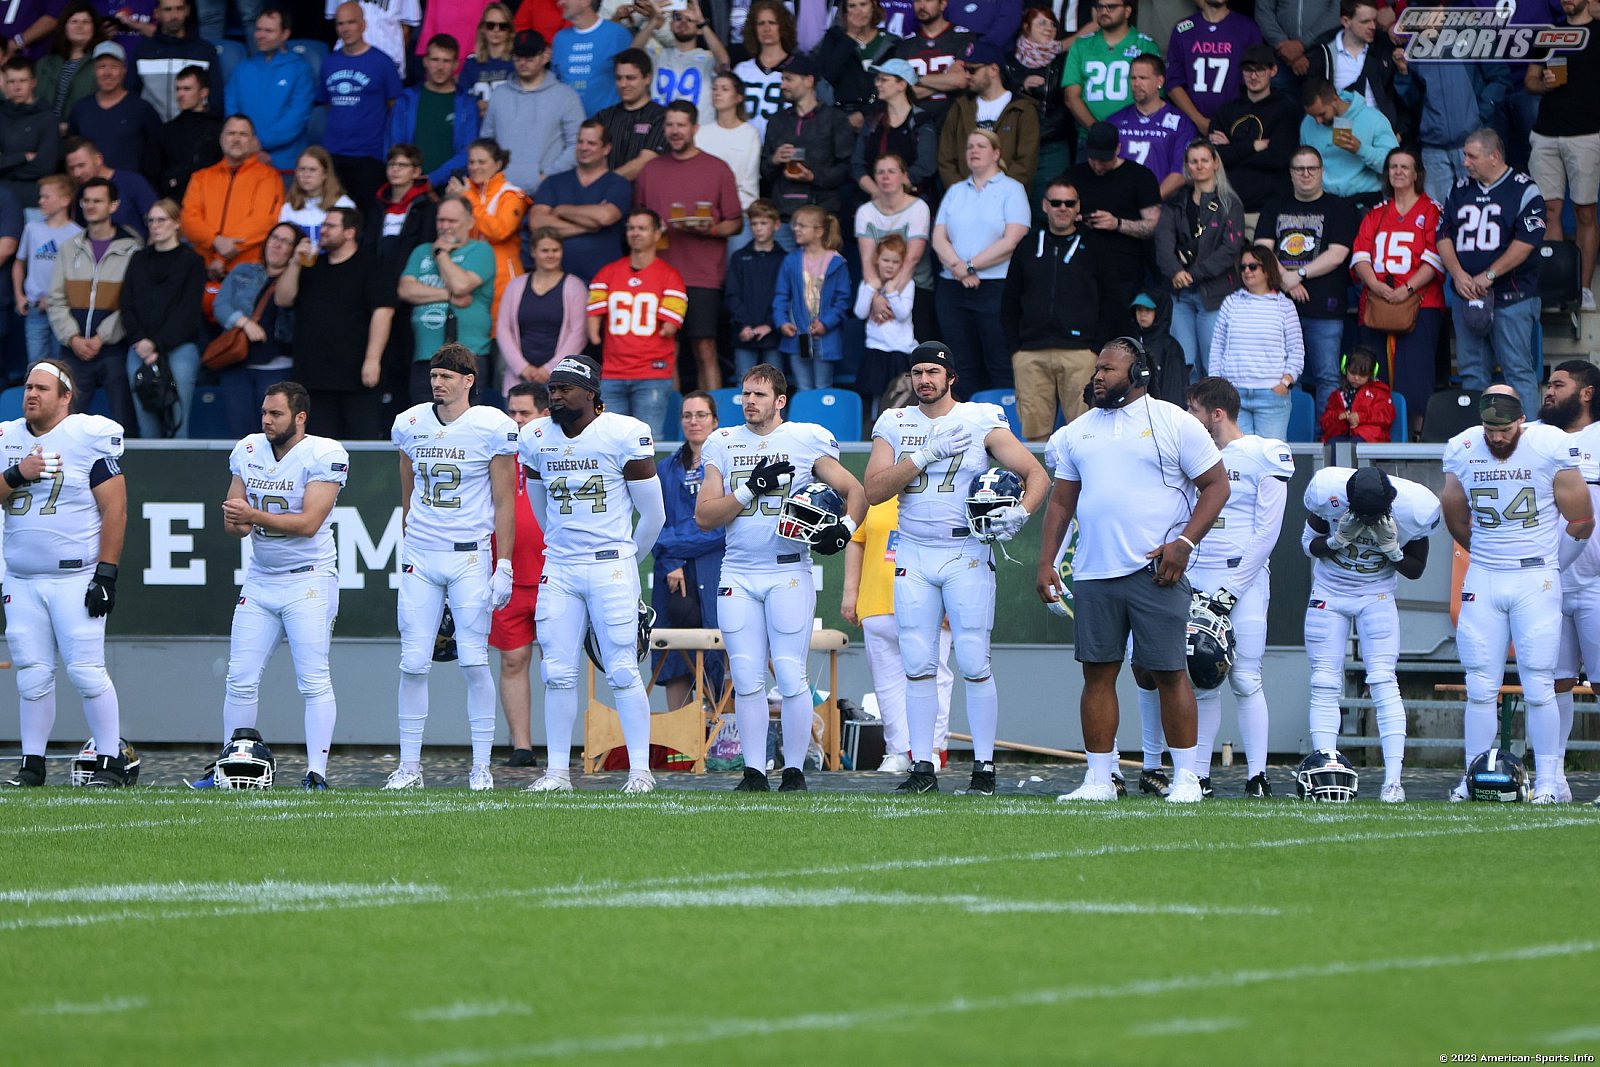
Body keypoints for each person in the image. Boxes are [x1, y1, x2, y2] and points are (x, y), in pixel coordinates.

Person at [1039, 337, 1230, 804]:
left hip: (1156, 570)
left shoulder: (1174, 421)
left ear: (1139, 374)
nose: (1098, 377)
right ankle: (1099, 780)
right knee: (1096, 674)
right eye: (1096, 369)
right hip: (1093, 571)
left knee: (1168, 672)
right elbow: (1061, 502)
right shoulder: (1078, 431)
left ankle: (1186, 778)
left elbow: (1216, 485)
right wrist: (1046, 561)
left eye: (1108, 369)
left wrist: (1184, 544)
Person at [865, 341, 1048, 794]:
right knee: (917, 662)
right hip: (913, 549)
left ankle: (983, 767)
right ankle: (922, 766)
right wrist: (923, 456)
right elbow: (873, 490)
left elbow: (1037, 474)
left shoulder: (979, 418)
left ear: (951, 378)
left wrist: (1022, 513)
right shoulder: (895, 421)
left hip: (965, 548)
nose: (924, 379)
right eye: (917, 372)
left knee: (972, 659)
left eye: (933, 372)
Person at [696, 363, 866, 789]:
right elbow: (705, 516)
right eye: (745, 394)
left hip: (787, 568)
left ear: (780, 400)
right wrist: (749, 488)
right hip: (738, 570)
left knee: (791, 675)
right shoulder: (722, 441)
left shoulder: (805, 438)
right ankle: (754, 771)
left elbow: (856, 491)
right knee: (746, 675)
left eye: (759, 394)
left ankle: (794, 771)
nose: (750, 401)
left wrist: (844, 529)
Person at [190, 382, 348, 789]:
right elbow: (235, 525)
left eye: (275, 413)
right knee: (240, 677)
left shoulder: (324, 453)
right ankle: (229, 767)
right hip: (261, 578)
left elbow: (308, 523)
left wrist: (252, 516)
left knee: (313, 679)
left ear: (300, 417)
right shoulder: (248, 450)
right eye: (264, 412)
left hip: (309, 579)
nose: (266, 420)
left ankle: (316, 773)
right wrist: (238, 519)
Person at [1440, 386, 1594, 804]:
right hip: (1485, 575)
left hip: (1534, 577)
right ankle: (1472, 777)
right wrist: (1488, 555)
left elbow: (1582, 518)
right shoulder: (1462, 448)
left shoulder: (1549, 445)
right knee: (1479, 685)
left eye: (1505, 429)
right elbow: (1454, 515)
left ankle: (1548, 781)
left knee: (1540, 684)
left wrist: (1551, 562)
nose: (1497, 438)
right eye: (1490, 429)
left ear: (1522, 421)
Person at [521, 352, 666, 794]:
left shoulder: (623, 433)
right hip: (561, 567)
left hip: (610, 565)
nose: (555, 395)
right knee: (556, 672)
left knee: (622, 669)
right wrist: (564, 549)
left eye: (565, 388)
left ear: (591, 393)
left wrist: (625, 561)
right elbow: (541, 510)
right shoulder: (535, 436)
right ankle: (557, 773)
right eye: (552, 388)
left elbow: (654, 516)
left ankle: (639, 772)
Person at [386, 343, 519, 792]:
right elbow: (407, 489)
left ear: (468, 381)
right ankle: (409, 766)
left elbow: (505, 500)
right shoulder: (410, 423)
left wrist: (504, 563)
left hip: (469, 555)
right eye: (434, 376)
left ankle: (481, 766)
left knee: (475, 662)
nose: (437, 383)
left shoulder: (491, 426)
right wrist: (408, 537)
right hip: (422, 554)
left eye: (446, 376)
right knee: (412, 663)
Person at [0, 359, 129, 788]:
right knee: (32, 673)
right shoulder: (7, 437)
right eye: (28, 386)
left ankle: (110, 760)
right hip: (21, 578)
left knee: (86, 671)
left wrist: (106, 573)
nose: (31, 394)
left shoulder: (87, 435)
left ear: (66, 397)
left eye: (42, 388)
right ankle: (32, 764)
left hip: (75, 576)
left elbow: (115, 509)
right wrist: (17, 473)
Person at [1301, 463, 1440, 802]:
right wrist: (1335, 541)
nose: (1365, 521)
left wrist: (1393, 551)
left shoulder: (1415, 509)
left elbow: (1416, 569)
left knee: (1382, 680)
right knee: (1324, 681)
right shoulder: (1328, 492)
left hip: (1376, 594)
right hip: (1329, 590)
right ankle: (1325, 770)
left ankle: (1393, 782)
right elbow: (1307, 545)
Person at [1183, 376, 1292, 797]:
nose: (1188, 417)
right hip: (1197, 575)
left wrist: (1232, 589)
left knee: (1245, 678)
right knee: (1201, 681)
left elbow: (1268, 533)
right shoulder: (1189, 452)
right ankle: (1199, 775)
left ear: (1217, 413)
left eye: (1194, 410)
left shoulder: (1263, 453)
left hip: (1242, 578)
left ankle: (1257, 776)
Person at [841, 496, 955, 772]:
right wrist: (850, 592)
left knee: (933, 678)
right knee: (887, 684)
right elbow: (856, 540)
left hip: (929, 602)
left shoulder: (942, 491)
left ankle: (930, 750)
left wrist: (954, 597)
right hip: (877, 601)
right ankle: (897, 751)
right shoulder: (874, 494)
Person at [1436, 129, 1546, 406]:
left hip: (1512, 295)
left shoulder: (1525, 190)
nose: (1465, 162)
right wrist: (1458, 275)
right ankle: (1479, 432)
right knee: (1471, 373)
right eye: (1464, 155)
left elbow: (1527, 241)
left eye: (1472, 156)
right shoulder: (1458, 189)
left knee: (1517, 372)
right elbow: (1443, 235)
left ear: (1494, 156)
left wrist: (1489, 275)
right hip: (1466, 296)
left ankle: (1525, 432)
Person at [637, 101, 741, 391]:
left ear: (695, 128)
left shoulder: (717, 168)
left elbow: (736, 223)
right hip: (658, 274)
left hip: (702, 275)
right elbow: (637, 219)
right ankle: (671, 417)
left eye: (681, 125)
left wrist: (711, 229)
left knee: (705, 347)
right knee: (665, 349)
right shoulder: (650, 170)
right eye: (670, 125)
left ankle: (712, 416)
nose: (675, 131)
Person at [1349, 146, 1444, 437]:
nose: (1398, 172)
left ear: (1417, 174)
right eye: (1393, 167)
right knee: (1375, 377)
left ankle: (1416, 438)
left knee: (1415, 378)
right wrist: (1374, 284)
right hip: (1377, 303)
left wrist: (1407, 288)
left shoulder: (1431, 210)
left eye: (1405, 167)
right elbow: (1360, 254)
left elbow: (1436, 256)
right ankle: (1377, 436)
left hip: (1420, 304)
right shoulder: (1377, 213)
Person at [1539, 360, 1600, 803]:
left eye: (1559, 384)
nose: (1548, 390)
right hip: (1546, 584)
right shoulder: (1536, 439)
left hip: (1596, 585)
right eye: (1548, 383)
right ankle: (1553, 779)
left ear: (1586, 392)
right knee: (1554, 682)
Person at [278, 206, 393, 440]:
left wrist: (373, 360)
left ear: (350, 232)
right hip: (313, 377)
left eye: (330, 226)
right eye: (323, 225)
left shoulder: (371, 265)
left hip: (356, 376)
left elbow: (383, 312)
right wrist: (295, 264)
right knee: (318, 448)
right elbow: (283, 299)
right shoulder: (311, 265)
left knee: (361, 445)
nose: (323, 230)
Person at [1254, 146, 1353, 414]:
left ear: (1322, 171)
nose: (1306, 174)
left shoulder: (1339, 207)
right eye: (1300, 169)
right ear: (1291, 173)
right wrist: (1285, 279)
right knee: (1285, 377)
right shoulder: (1275, 206)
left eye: (1312, 168)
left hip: (1326, 307)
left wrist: (1296, 275)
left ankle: (1325, 434)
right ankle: (1292, 433)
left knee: (1328, 376)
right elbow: (1262, 249)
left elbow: (1338, 254)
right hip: (1280, 308)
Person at [931, 128, 1030, 397]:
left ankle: (1002, 418)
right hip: (952, 287)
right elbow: (938, 238)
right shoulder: (955, 191)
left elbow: (1012, 240)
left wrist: (970, 266)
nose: (973, 150)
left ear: (996, 153)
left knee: (998, 360)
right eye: (969, 146)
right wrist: (960, 269)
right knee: (960, 363)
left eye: (981, 146)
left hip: (996, 286)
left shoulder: (1012, 189)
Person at [1002, 177, 1100, 439]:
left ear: (1078, 206)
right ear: (1045, 205)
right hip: (1030, 352)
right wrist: (1016, 348)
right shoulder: (1027, 245)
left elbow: (1111, 300)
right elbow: (1009, 299)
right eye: (1056, 202)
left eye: (1069, 203)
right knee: (1034, 436)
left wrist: (1096, 347)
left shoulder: (1095, 246)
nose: (1063, 208)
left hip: (1081, 352)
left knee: (1086, 433)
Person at [650, 389, 725, 714]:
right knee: (673, 653)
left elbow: (721, 527)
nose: (694, 421)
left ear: (715, 421)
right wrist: (672, 560)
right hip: (672, 572)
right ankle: (678, 735)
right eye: (687, 415)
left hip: (716, 567)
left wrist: (670, 547)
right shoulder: (666, 468)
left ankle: (723, 733)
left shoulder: (726, 464)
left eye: (701, 415)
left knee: (721, 650)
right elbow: (653, 523)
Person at [1525, 0, 1600, 311]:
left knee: (1585, 212)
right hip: (1546, 133)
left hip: (1587, 134)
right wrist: (1543, 84)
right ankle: (1556, 286)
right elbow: (1530, 80)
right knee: (1549, 211)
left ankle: (1583, 288)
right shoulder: (1548, 33)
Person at [490, 380, 548, 768]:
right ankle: (522, 748)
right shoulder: (495, 455)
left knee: (559, 666)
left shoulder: (557, 452)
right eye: (511, 412)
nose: (516, 420)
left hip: (553, 576)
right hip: (507, 574)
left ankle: (560, 750)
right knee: (512, 660)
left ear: (544, 414)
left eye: (524, 412)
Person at [586, 207, 684, 439]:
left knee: (647, 442)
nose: (635, 233)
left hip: (652, 373)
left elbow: (669, 327)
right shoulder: (607, 273)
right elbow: (593, 328)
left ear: (657, 234)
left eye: (642, 228)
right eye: (631, 228)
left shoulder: (670, 276)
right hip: (612, 372)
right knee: (608, 441)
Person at [47, 177, 137, 428]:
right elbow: (56, 299)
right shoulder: (68, 248)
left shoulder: (132, 249)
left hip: (115, 349)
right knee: (64, 424)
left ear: (113, 205)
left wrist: (101, 337)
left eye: (97, 201)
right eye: (86, 200)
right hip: (72, 350)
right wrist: (73, 338)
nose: (90, 206)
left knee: (122, 422)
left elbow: (132, 303)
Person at [1154, 139, 1245, 376]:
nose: (1199, 165)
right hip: (1179, 294)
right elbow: (1163, 242)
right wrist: (1175, 271)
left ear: (1215, 163)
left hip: (1215, 294)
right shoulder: (1175, 203)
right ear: (1187, 166)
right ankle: (1188, 403)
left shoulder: (1230, 204)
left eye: (1205, 160)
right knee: (1185, 365)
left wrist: (1193, 274)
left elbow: (1231, 249)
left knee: (1213, 366)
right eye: (1193, 161)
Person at [1067, 121, 1161, 339]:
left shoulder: (1140, 177)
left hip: (1125, 273)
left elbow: (1153, 226)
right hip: (1081, 269)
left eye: (1104, 160)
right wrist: (1076, 219)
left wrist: (1117, 224)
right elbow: (1056, 214)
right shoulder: (1074, 176)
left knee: (1118, 338)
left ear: (1118, 149)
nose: (1097, 165)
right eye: (1093, 158)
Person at [397, 193, 495, 404]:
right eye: (441, 220)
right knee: (424, 418)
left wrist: (441, 253)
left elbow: (461, 285)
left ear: (469, 223)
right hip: (426, 355)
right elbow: (405, 289)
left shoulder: (480, 250)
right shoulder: (422, 251)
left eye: (452, 221)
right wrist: (449, 295)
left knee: (466, 418)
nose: (445, 226)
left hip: (469, 355)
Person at [120, 196, 202, 438]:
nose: (155, 226)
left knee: (179, 424)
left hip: (178, 346)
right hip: (140, 348)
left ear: (176, 223)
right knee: (147, 427)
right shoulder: (138, 259)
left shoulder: (192, 261)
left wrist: (155, 344)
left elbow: (187, 312)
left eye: (161, 220)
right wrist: (141, 341)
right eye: (151, 221)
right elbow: (126, 304)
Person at [213, 220, 298, 440]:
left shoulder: (298, 279)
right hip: (237, 363)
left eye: (285, 242)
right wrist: (244, 323)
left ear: (294, 250)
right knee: (242, 438)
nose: (277, 245)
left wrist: (295, 267)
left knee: (274, 437)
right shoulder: (244, 271)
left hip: (277, 368)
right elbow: (220, 305)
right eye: (274, 238)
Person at [1208, 247, 1303, 438]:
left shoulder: (1285, 305)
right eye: (1243, 267)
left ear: (1267, 270)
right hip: (1233, 395)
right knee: (1237, 454)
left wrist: (1285, 383)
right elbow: (1217, 347)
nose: (1247, 271)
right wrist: (1217, 386)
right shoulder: (1230, 303)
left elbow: (1296, 350)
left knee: (1270, 455)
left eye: (1253, 266)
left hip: (1271, 396)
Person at [318, 3, 403, 214]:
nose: (346, 29)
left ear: (363, 25)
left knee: (368, 218)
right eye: (340, 24)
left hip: (369, 156)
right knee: (334, 217)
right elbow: (327, 103)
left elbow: (394, 107)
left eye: (351, 22)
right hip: (334, 153)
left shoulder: (382, 63)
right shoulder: (329, 63)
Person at [480, 29, 583, 196]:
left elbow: (577, 145)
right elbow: (486, 142)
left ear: (545, 57)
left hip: (549, 191)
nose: (523, 63)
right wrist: (494, 177)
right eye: (518, 57)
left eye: (529, 58)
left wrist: (546, 177)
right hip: (501, 191)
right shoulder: (499, 94)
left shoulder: (566, 96)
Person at [180, 115, 283, 281]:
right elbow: (189, 220)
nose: (236, 139)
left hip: (248, 270)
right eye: (231, 133)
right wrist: (215, 240)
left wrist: (221, 258)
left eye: (243, 134)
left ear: (253, 141)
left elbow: (263, 221)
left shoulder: (268, 177)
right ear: (221, 139)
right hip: (202, 267)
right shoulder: (201, 177)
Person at [525, 118, 629, 284]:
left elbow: (605, 217)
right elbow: (537, 224)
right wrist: (590, 226)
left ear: (606, 148)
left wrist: (561, 210)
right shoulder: (554, 182)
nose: (584, 147)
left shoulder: (618, 184)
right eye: (580, 142)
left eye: (591, 143)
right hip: (555, 283)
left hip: (603, 283)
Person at [760, 53, 853, 234]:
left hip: (822, 217)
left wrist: (813, 177)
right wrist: (774, 160)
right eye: (782, 79)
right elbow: (764, 172)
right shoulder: (777, 121)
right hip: (784, 217)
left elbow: (846, 168)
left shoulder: (835, 119)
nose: (782, 85)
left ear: (809, 81)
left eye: (789, 79)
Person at [1209, 45, 1300, 216]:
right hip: (1227, 205)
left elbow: (1278, 158)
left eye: (1260, 69)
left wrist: (1232, 148)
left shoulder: (1287, 110)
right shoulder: (1225, 111)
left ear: (1273, 71)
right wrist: (1252, 146)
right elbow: (1214, 157)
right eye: (1248, 70)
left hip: (1270, 206)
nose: (1253, 76)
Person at [938, 40, 1039, 193]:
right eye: (965, 70)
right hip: (965, 201)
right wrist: (965, 194)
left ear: (993, 70)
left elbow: (1026, 162)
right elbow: (946, 159)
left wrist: (996, 194)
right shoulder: (959, 107)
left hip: (1007, 201)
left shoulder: (1023, 109)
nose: (967, 75)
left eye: (972, 70)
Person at [446, 138, 528, 326]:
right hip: (467, 277)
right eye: (471, 162)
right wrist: (452, 202)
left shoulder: (511, 194)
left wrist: (466, 198)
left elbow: (500, 231)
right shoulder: (463, 192)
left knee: (501, 336)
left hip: (502, 279)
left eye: (481, 162)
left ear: (498, 164)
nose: (475, 167)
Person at [495, 226, 586, 394]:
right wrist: (522, 367)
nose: (551, 255)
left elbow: (578, 333)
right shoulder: (515, 286)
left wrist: (550, 369)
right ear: (533, 251)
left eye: (555, 250)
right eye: (545, 250)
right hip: (519, 378)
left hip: (559, 381)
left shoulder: (575, 287)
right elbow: (503, 329)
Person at [224, 8, 314, 174]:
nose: (261, 35)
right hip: (245, 160)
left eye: (268, 31)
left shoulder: (300, 70)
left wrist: (257, 144)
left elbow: (297, 117)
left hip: (284, 164)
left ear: (285, 34)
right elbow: (232, 109)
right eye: (259, 29)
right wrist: (248, 145)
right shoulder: (242, 68)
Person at [855, 155, 932, 345]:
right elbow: (867, 260)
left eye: (891, 171)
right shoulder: (865, 211)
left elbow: (912, 260)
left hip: (915, 286)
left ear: (904, 176)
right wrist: (876, 298)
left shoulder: (918, 207)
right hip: (878, 290)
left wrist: (890, 298)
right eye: (880, 172)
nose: (885, 177)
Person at [772, 203, 850, 391]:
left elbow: (843, 300)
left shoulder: (837, 262)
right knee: (803, 387)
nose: (795, 229)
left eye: (802, 226)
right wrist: (782, 322)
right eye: (795, 225)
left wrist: (826, 323)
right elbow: (781, 295)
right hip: (797, 335)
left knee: (823, 387)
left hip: (825, 335)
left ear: (819, 231)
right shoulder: (791, 260)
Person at [386, 33, 479, 190]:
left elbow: (468, 151)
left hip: (452, 187)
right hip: (410, 186)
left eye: (446, 61)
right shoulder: (406, 100)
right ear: (425, 61)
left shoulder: (467, 104)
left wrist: (434, 178)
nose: (440, 67)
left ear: (456, 65)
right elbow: (395, 145)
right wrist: (410, 176)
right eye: (435, 60)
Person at [1304, 0, 1403, 140]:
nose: (1373, 26)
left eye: (1374, 20)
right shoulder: (1323, 51)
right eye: (1365, 21)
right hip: (1342, 130)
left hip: (1381, 130)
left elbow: (1398, 95)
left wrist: (1400, 130)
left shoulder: (1384, 46)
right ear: (1346, 21)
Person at [1003, 7, 1070, 207]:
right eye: (1042, 23)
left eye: (1053, 24)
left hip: (1050, 143)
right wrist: (1020, 86)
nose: (1049, 28)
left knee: (1048, 203)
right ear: (1026, 27)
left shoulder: (1063, 61)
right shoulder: (1009, 62)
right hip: (1015, 145)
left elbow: (1066, 104)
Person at [1164, 0, 1263, 134]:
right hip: (1189, 125)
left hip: (1235, 125)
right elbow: (1173, 82)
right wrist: (1199, 121)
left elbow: (1256, 80)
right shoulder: (1183, 30)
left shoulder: (1247, 28)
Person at [1109, 54, 1200, 201]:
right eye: (1133, 78)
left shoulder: (1181, 123)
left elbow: (1180, 173)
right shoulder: (1115, 121)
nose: (1136, 83)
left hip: (1164, 205)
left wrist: (1149, 201)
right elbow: (1103, 166)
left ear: (1160, 81)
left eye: (1143, 78)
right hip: (1119, 204)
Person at [1300, 78, 1396, 208]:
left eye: (1322, 114)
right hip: (1324, 202)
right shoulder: (1307, 123)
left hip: (1364, 201)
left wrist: (1360, 149)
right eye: (1313, 116)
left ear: (1335, 99)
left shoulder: (1374, 119)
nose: (1318, 121)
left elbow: (1393, 166)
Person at [1060, 0, 1158, 128]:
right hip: (1089, 135)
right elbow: (1071, 98)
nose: (1104, 11)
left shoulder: (1146, 46)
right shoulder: (1080, 45)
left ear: (1127, 11)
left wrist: (1132, 131)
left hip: (1135, 133)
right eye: (1100, 7)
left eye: (1111, 7)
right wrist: (1097, 131)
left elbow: (1154, 96)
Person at [66, 42, 159, 175]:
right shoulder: (81, 108)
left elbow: (156, 151)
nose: (107, 73)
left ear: (124, 70)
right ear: (94, 70)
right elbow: (71, 150)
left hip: (128, 185)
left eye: (114, 66)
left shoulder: (142, 108)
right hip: (90, 185)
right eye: (102, 66)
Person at [15, 174, 79, 366]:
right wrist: (19, 296)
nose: (40, 201)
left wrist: (53, 298)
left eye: (46, 197)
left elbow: (78, 275)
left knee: (62, 365)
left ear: (65, 200)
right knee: (36, 365)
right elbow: (19, 263)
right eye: (40, 197)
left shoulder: (78, 234)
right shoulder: (32, 228)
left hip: (64, 310)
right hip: (35, 308)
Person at [851, 59, 936, 200]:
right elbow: (857, 164)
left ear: (902, 85)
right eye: (877, 79)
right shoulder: (872, 121)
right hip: (873, 200)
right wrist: (876, 192)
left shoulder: (921, 121)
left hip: (911, 199)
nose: (877, 84)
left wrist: (894, 189)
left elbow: (926, 165)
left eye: (884, 80)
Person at [697, 70, 761, 249]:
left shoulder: (749, 134)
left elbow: (749, 180)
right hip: (705, 214)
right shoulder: (701, 133)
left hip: (740, 213)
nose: (717, 93)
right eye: (715, 88)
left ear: (738, 97)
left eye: (724, 89)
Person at [128, 0, 219, 123]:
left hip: (195, 130)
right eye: (168, 9)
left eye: (179, 9)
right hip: (151, 131)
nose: (174, 15)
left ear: (187, 11)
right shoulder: (143, 51)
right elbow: (131, 96)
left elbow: (215, 99)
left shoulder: (205, 51)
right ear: (157, 13)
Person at [854, 232, 915, 414]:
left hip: (901, 349)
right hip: (877, 348)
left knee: (902, 392)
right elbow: (860, 313)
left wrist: (891, 292)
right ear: (876, 259)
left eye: (895, 262)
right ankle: (876, 422)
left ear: (902, 264)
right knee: (877, 393)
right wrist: (870, 289)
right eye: (885, 260)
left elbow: (903, 314)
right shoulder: (868, 284)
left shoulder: (907, 284)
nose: (890, 265)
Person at [590, 46, 667, 181]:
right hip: (602, 192)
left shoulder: (662, 117)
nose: (623, 84)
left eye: (630, 78)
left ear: (647, 78)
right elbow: (589, 155)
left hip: (642, 192)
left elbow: (645, 161)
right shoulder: (603, 117)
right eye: (619, 78)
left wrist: (604, 184)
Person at [727, 197, 784, 380]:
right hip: (744, 333)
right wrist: (744, 325)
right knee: (745, 384)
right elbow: (732, 295)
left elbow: (786, 297)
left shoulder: (785, 259)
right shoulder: (739, 257)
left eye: (763, 223)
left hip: (774, 334)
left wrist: (770, 324)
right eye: (754, 224)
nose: (758, 228)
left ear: (776, 225)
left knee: (774, 386)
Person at [814, 0, 896, 126]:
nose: (858, 11)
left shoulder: (891, 42)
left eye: (863, 4)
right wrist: (850, 36)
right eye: (852, 6)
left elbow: (896, 86)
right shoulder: (834, 39)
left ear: (874, 7)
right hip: (841, 115)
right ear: (845, 12)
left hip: (882, 115)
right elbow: (829, 74)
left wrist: (865, 113)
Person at [148, 64, 220, 201]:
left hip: (211, 200)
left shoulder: (219, 130)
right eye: (178, 89)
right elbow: (153, 174)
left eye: (187, 89)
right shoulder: (165, 132)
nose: (180, 94)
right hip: (174, 203)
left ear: (204, 92)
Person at [894, 0, 973, 125]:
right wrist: (947, 80)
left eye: (928, 0)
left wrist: (913, 78)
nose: (922, 6)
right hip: (916, 124)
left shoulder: (963, 38)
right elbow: (902, 92)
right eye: (917, 1)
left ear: (943, 4)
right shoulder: (905, 45)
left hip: (956, 121)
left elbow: (960, 81)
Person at [552, 0, 633, 116]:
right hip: (568, 123)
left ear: (586, 1)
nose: (560, 3)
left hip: (608, 123)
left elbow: (635, 80)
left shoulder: (618, 34)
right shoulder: (560, 38)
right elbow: (555, 82)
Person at [63, 135, 153, 238]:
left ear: (98, 159)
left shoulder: (133, 182)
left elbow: (155, 221)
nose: (77, 173)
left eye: (81, 165)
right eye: (71, 168)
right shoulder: (79, 193)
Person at [0, 55, 60, 208]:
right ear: (4, 85)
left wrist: (5, 166)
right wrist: (23, 157)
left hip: (32, 199)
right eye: (11, 82)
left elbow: (45, 166)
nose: (17, 87)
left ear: (33, 83)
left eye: (22, 81)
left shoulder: (47, 119)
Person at [35, 3, 104, 136]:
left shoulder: (100, 64)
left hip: (81, 136)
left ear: (94, 28)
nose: (79, 26)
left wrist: (70, 126)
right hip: (43, 135)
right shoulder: (46, 63)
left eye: (86, 22)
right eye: (74, 21)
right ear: (64, 26)